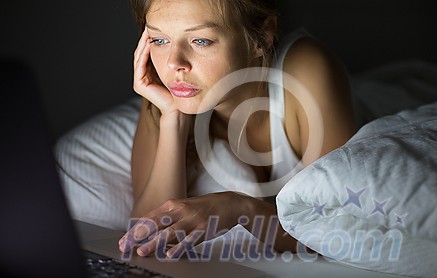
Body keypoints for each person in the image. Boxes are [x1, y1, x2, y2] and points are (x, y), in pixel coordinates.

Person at [118, 0, 356, 258]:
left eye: (200, 41)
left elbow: (339, 232)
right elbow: (143, 239)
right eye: (159, 40)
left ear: (261, 38)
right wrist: (173, 118)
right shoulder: (167, 86)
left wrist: (242, 208)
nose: (174, 64)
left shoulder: (307, 71)